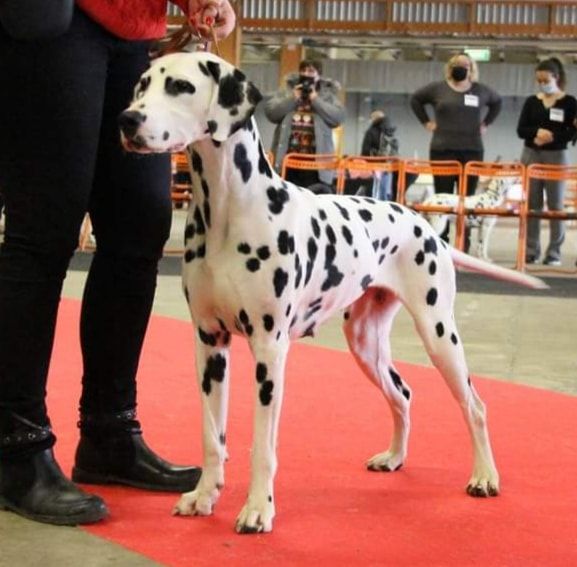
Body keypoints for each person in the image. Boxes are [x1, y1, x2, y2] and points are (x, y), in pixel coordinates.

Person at [0, 0, 236, 526]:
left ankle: (110, 433)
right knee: (42, 234)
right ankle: (17, 448)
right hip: (58, 27)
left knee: (139, 231)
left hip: (133, 35)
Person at [410, 52, 502, 245]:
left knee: (467, 198)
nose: (460, 68)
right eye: (456, 64)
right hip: (443, 149)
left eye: (465, 65)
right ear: (450, 68)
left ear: (471, 69)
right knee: (443, 196)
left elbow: (497, 102)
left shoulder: (480, 91)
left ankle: (463, 241)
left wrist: (486, 123)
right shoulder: (437, 88)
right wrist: (426, 122)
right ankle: (440, 241)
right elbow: (415, 99)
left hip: (472, 149)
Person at [517, 57, 577, 266]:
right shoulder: (532, 101)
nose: (542, 83)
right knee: (532, 205)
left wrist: (553, 136)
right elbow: (521, 129)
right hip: (532, 154)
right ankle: (531, 249)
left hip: (556, 156)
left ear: (556, 78)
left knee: (555, 205)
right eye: (539, 80)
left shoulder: (569, 102)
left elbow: (572, 131)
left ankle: (554, 252)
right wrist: (536, 133)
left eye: (545, 79)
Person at [264, 59, 345, 193]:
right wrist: (292, 98)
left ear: (319, 75)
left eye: (311, 71)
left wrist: (315, 99)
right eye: (303, 70)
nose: (306, 74)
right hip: (286, 163)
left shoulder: (328, 95)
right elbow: (271, 113)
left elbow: (338, 117)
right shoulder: (287, 91)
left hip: (316, 168)